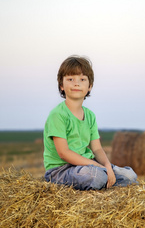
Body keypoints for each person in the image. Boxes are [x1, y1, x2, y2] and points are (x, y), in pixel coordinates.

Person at [43, 55, 138, 190]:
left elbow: (97, 148)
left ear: (89, 86)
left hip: (86, 165)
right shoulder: (58, 114)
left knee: (129, 176)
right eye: (70, 79)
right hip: (60, 170)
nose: (76, 83)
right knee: (97, 176)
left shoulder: (90, 115)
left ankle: (105, 179)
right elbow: (64, 152)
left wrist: (106, 166)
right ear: (61, 85)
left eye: (82, 79)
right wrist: (99, 168)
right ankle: (102, 180)